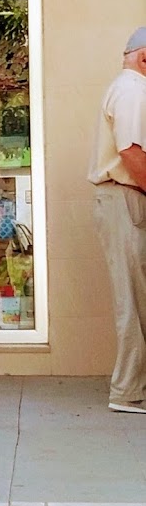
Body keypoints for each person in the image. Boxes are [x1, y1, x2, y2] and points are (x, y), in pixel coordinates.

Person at [88, 26, 146, 415]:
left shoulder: (128, 88)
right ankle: (128, 392)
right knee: (134, 299)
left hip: (124, 198)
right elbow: (131, 152)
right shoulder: (133, 90)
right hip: (125, 197)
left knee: (137, 297)